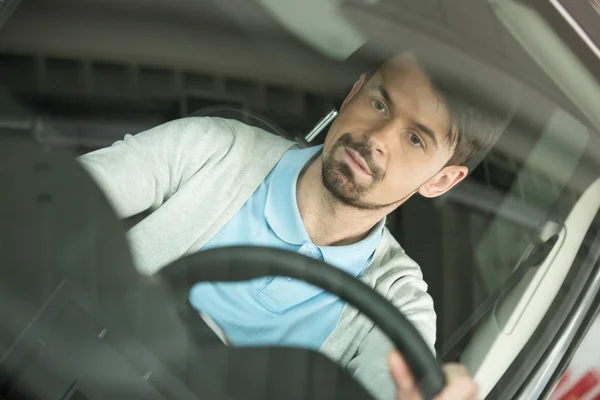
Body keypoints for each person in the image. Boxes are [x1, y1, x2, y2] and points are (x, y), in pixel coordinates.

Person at [77, 51, 513, 400]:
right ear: (353, 94)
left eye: (415, 138)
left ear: (441, 181)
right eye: (379, 104)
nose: (377, 137)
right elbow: (65, 196)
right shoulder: (212, 148)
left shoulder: (398, 300)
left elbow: (396, 385)